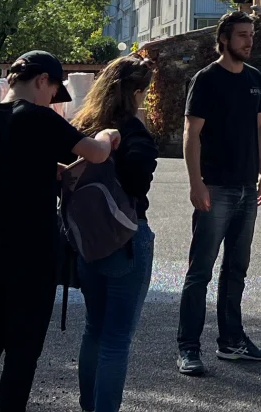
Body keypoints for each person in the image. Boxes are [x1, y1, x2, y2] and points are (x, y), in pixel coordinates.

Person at [0, 51, 120, 412]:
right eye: (54, 91)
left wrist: (38, 170)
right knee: (22, 352)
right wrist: (107, 134)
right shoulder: (41, 119)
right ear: (43, 80)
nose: (51, 100)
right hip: (34, 251)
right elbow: (96, 153)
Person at [176, 10, 261, 375]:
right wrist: (195, 182)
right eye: (242, 36)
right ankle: (188, 348)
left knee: (236, 269)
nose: (249, 41)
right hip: (214, 188)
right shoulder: (206, 80)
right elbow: (191, 134)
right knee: (200, 270)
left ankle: (232, 342)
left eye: (251, 34)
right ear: (224, 40)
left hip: (247, 188)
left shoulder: (253, 78)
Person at [68, 55, 161, 412]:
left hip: (88, 241)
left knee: (94, 329)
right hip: (126, 239)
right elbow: (138, 183)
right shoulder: (133, 133)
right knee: (116, 339)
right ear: (137, 92)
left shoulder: (85, 125)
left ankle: (88, 406)